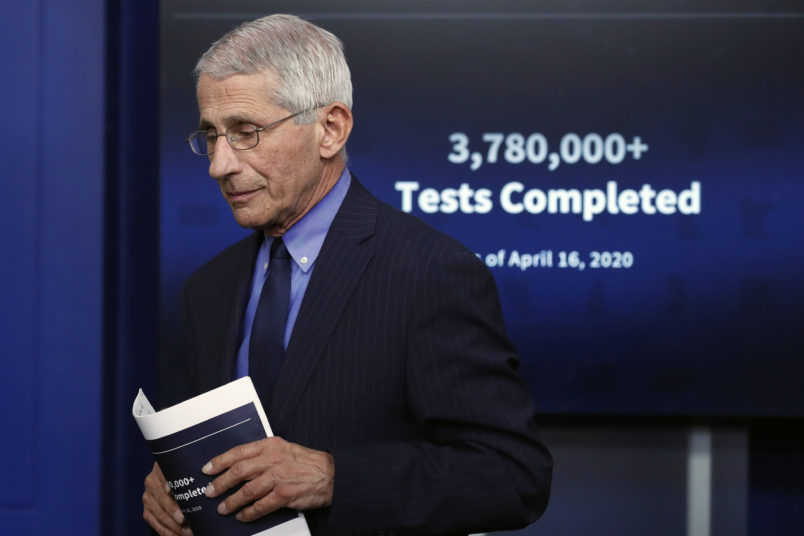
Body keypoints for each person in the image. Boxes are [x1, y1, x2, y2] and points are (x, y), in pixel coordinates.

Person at [143, 13, 552, 536]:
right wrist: (178, 483)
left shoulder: (429, 272)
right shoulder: (209, 288)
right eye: (211, 136)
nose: (218, 165)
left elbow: (512, 476)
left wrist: (334, 478)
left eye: (246, 133)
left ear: (330, 129)